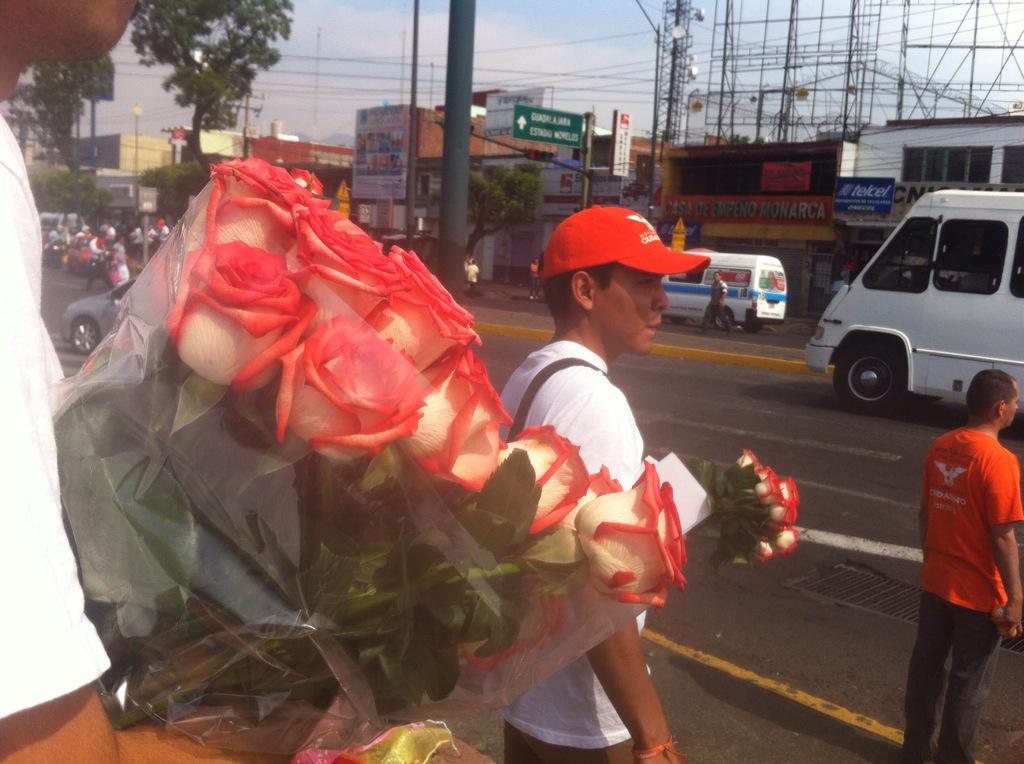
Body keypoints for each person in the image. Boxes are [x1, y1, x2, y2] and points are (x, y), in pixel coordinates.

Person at [499, 206, 710, 764]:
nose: (662, 299)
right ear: (587, 289)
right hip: (581, 716)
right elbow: (598, 587)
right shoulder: (596, 402)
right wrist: (653, 735)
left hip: (529, 692)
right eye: (645, 282)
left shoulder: (532, 373)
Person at [902, 368, 1023, 764]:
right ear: (999, 408)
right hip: (977, 594)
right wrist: (1016, 598)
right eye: (1015, 402)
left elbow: (925, 511)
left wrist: (930, 557)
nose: (1017, 408)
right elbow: (1003, 538)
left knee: (926, 668)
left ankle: (915, 749)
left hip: (936, 580)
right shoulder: (999, 461)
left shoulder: (941, 446)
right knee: (968, 683)